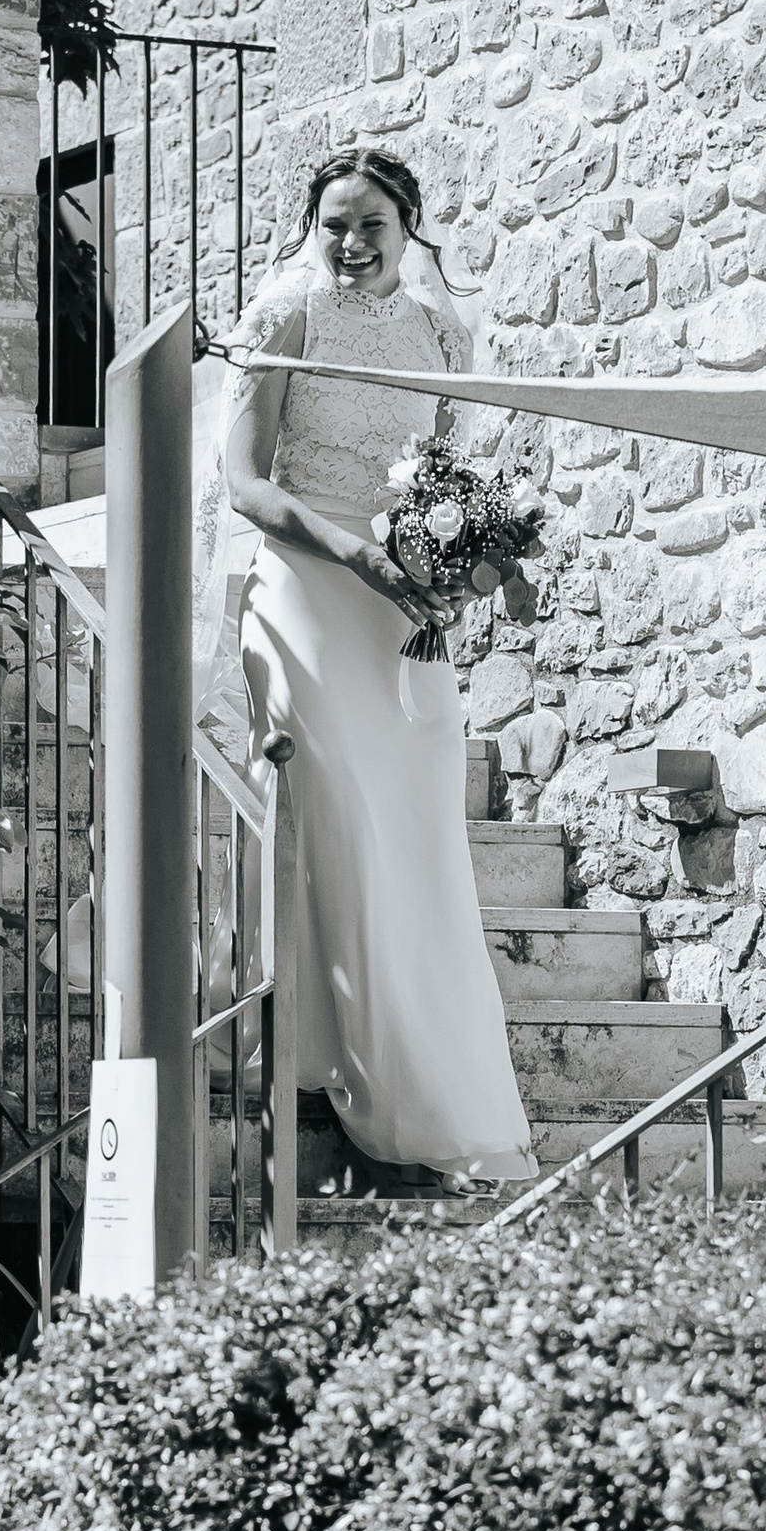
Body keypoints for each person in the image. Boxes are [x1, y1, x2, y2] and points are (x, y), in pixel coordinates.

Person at [224, 146, 536, 1187]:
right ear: (309, 228)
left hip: (403, 605)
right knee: (343, 820)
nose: (351, 245)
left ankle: (444, 1096)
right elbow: (243, 485)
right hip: (307, 588)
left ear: (410, 232)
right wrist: (352, 551)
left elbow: (443, 477)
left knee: (419, 833)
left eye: (372, 227)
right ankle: (326, 1069)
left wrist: (463, 560)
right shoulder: (284, 319)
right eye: (333, 225)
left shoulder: (441, 329)